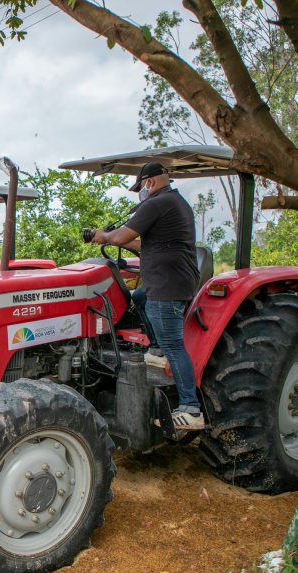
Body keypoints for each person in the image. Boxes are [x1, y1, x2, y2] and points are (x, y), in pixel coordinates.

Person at [91, 161, 203, 431]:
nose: (140, 192)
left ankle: (190, 408)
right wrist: (112, 238)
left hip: (166, 286)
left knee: (175, 345)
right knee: (137, 298)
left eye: (140, 186)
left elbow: (120, 237)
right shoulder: (174, 202)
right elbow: (142, 243)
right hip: (167, 281)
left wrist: (102, 236)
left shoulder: (155, 204)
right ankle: (156, 349)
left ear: (149, 182)